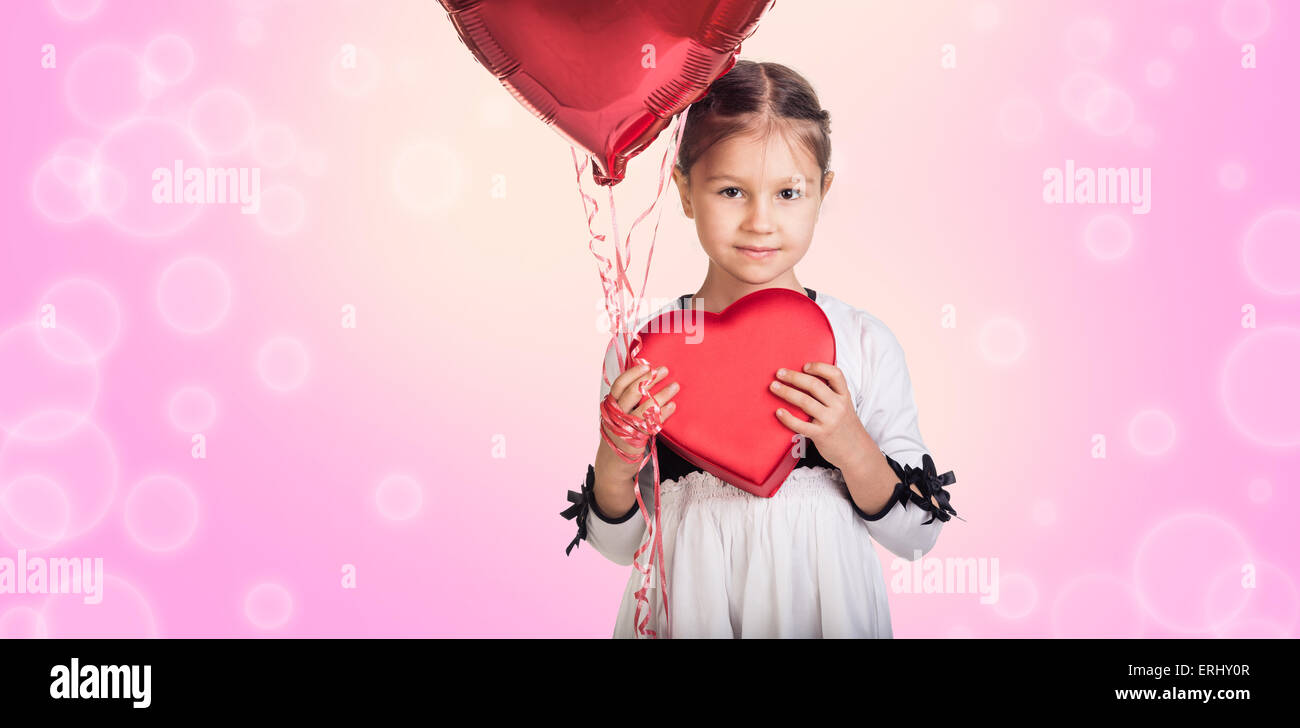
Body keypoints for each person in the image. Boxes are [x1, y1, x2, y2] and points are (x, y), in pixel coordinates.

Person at [561, 60, 958, 638]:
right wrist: (615, 462)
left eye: (788, 192)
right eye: (730, 191)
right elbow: (621, 548)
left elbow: (917, 537)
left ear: (823, 192)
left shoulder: (864, 343)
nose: (760, 221)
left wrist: (850, 446)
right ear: (685, 191)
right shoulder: (644, 351)